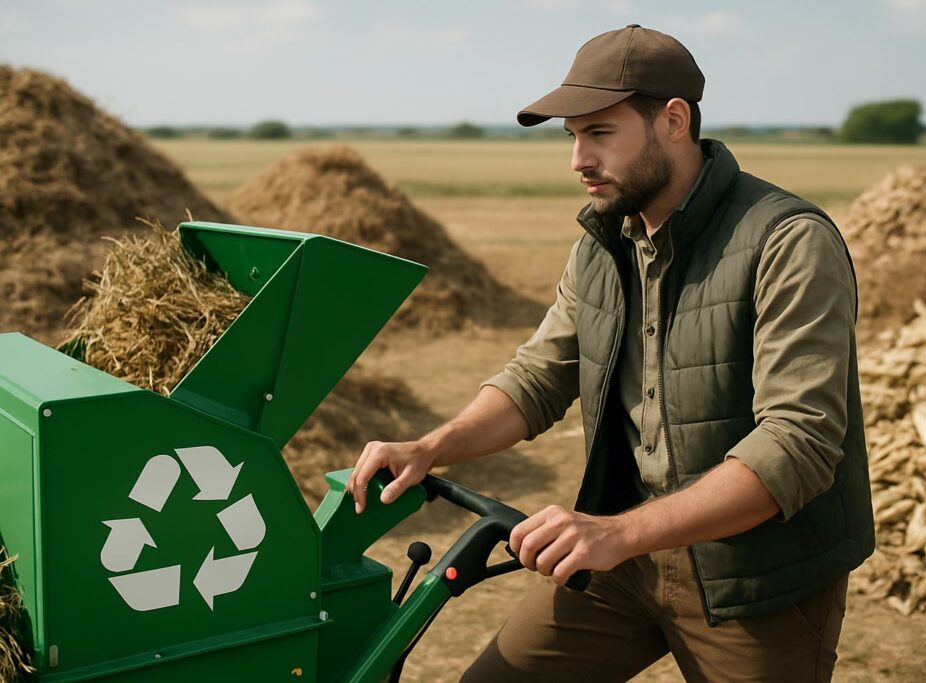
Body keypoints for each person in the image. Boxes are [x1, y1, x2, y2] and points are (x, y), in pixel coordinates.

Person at [346, 24, 874, 682]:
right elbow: (539, 375)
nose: (577, 160)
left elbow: (798, 443)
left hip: (756, 580)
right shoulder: (602, 244)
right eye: (572, 137)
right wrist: (434, 445)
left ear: (673, 121)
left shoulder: (788, 242)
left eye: (599, 133)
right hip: (621, 557)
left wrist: (615, 533)